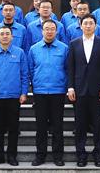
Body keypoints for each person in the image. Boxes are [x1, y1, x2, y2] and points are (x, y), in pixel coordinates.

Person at [66, 14, 100, 168]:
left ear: (96, 26)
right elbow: (71, 67)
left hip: (97, 91)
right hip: (79, 91)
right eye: (85, 23)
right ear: (80, 25)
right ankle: (81, 155)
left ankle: (99, 155)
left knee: (98, 125)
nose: (88, 26)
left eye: (91, 23)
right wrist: (70, 87)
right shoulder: (74, 43)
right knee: (80, 125)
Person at [0, 26, 29, 166]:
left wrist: (24, 92)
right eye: (2, 34)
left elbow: (24, 74)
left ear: (12, 37)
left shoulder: (19, 53)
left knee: (13, 128)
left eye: (7, 34)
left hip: (14, 96)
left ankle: (11, 156)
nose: (4, 36)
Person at [28, 20, 69, 166]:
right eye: (47, 29)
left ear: (56, 31)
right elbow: (31, 69)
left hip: (58, 91)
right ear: (42, 31)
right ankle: (40, 155)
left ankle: (58, 156)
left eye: (52, 29)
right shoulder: (34, 49)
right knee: (41, 127)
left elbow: (67, 69)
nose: (49, 31)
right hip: (40, 92)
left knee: (57, 126)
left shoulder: (64, 48)